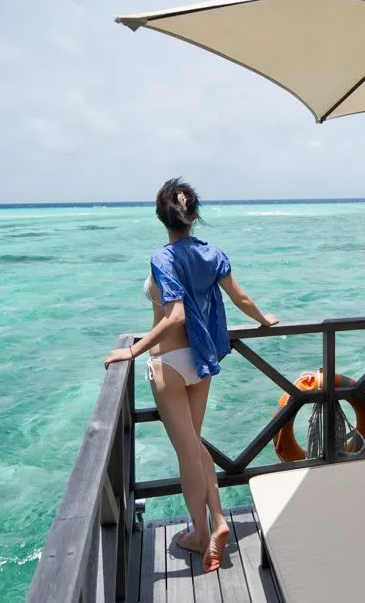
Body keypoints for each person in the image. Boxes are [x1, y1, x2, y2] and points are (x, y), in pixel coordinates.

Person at [104, 178, 278, 572]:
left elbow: (175, 315)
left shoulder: (163, 259)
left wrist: (131, 351)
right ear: (194, 215)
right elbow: (241, 297)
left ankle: (201, 534)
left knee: (187, 452)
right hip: (201, 361)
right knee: (196, 446)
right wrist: (264, 319)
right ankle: (217, 522)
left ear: (161, 216)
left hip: (169, 364)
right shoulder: (212, 253)